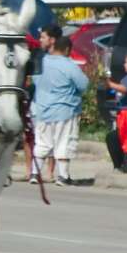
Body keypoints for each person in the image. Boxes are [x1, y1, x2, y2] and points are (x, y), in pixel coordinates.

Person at [29, 36, 88, 185]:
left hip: (42, 110)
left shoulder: (41, 63)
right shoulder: (69, 65)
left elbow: (35, 81)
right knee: (64, 142)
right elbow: (83, 85)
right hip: (65, 110)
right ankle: (63, 176)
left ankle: (35, 174)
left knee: (41, 143)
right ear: (68, 49)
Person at [24, 23, 64, 181]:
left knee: (53, 138)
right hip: (36, 100)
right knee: (30, 136)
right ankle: (30, 170)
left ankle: (50, 172)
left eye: (43, 37)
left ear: (52, 40)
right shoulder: (37, 55)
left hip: (53, 103)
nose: (40, 40)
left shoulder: (61, 57)